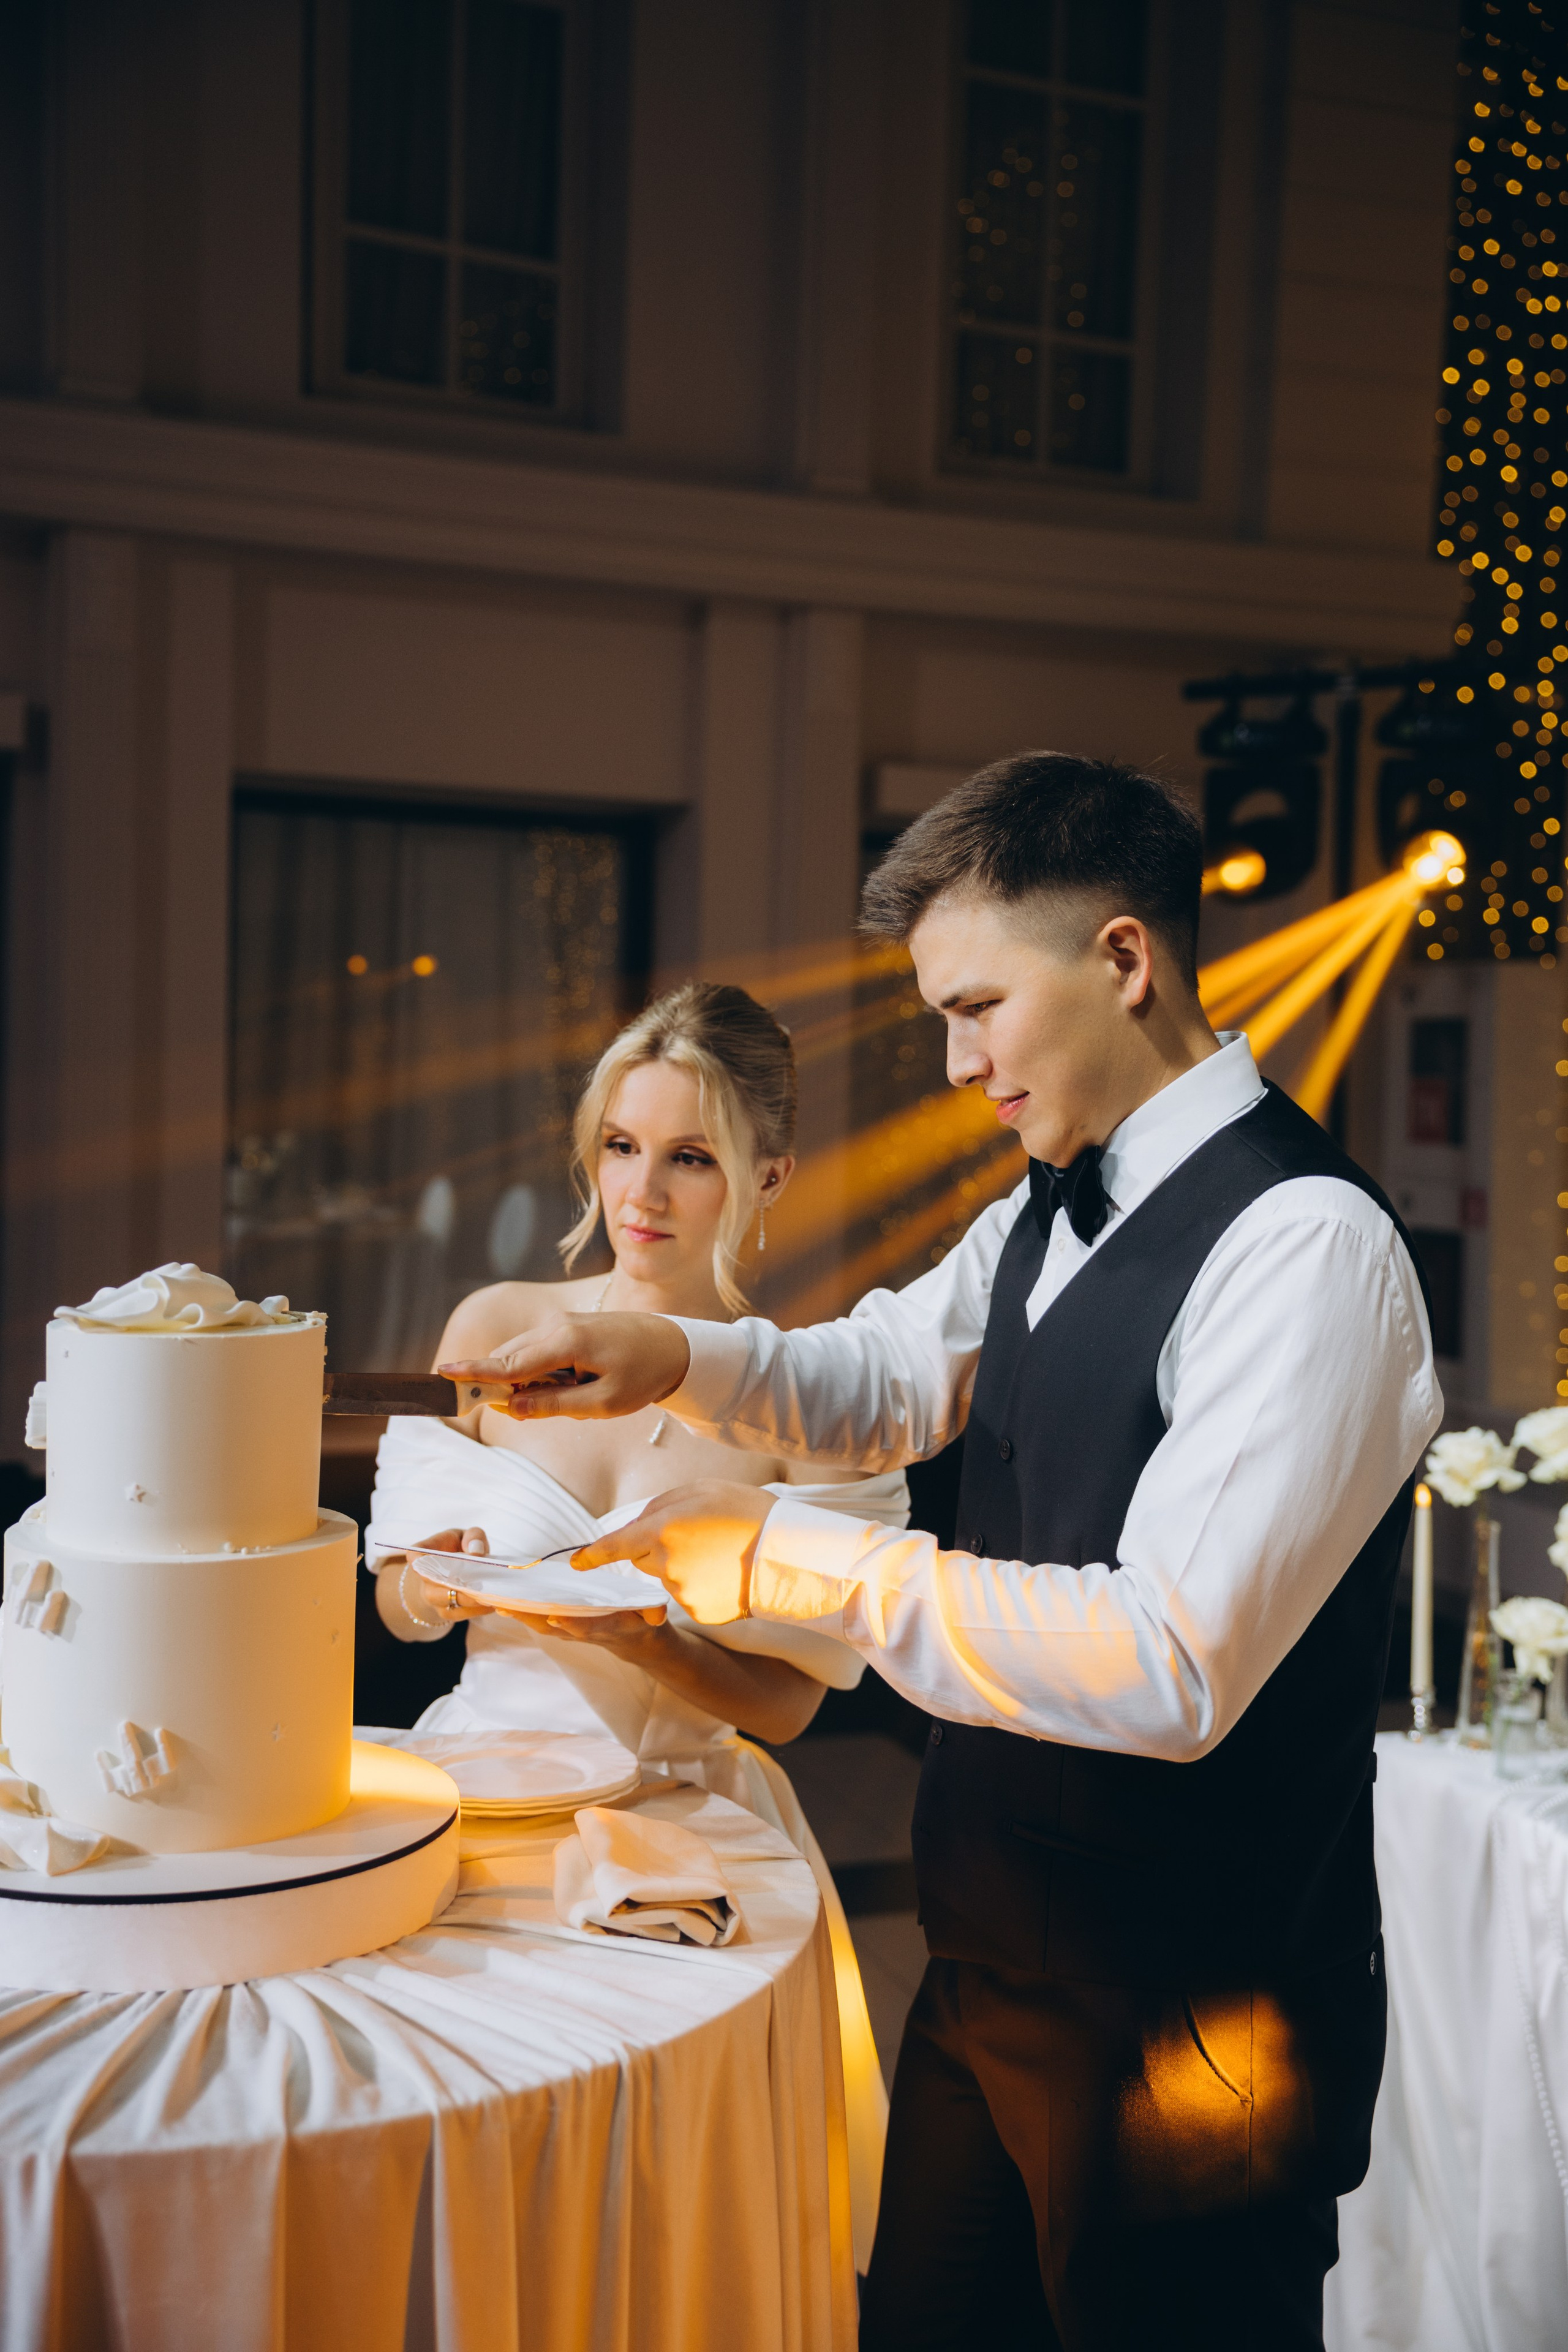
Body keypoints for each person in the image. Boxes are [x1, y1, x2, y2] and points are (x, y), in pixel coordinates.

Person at [449, 755, 1442, 2352]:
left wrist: (783, 1560)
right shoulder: (1050, 1198)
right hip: (986, 1960)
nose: (960, 1061)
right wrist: (662, 1357)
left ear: (1125, 961)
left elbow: (1171, 1659)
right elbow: (894, 1374)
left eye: (978, 1007)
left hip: (1200, 2018)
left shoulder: (1308, 1249)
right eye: (938, 1019)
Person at [365, 979, 906, 2272]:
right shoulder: (494, 1333)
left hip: (678, 1824)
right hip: (470, 1796)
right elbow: (394, 1606)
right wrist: (432, 1585)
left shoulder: (810, 1407)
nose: (640, 1193)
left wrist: (649, 1641)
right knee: (450, 2151)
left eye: (688, 1158)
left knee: (638, 2199)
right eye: (618, 1146)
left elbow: (788, 1707)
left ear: (765, 1176)